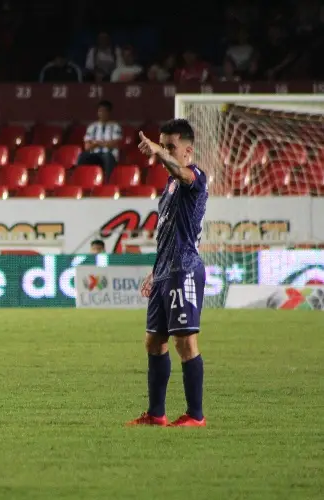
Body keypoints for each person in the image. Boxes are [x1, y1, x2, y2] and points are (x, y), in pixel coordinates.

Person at [128, 120, 208, 427]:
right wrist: (154, 270)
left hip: (184, 269)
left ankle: (196, 415)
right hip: (165, 271)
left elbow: (180, 171)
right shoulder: (170, 186)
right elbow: (166, 233)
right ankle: (157, 414)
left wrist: (159, 152)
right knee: (154, 342)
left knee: (185, 343)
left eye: (170, 146)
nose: (163, 151)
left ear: (187, 151)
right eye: (162, 145)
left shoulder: (194, 177)